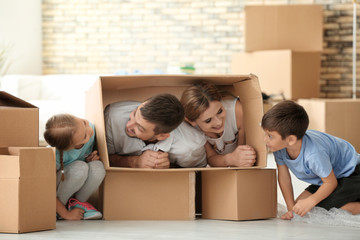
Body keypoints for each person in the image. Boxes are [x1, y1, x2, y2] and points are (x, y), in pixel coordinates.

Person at [261, 100, 360, 219]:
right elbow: (284, 177)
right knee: (299, 207)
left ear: (291, 140)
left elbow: (330, 183)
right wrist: (291, 208)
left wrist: (312, 200)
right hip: (328, 176)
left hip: (353, 174)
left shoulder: (314, 154)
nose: (265, 140)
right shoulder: (280, 148)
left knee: (323, 208)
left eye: (270, 136)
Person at [104, 93, 207, 168]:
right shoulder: (112, 116)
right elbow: (105, 159)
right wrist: (134, 162)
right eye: (134, 114)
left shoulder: (190, 147)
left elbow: (199, 175)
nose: (129, 125)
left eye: (140, 128)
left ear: (162, 136)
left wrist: (168, 168)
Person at [44, 114, 106, 220]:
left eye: (84, 122)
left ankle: (78, 203)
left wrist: (89, 159)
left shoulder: (87, 129)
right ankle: (58, 210)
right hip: (56, 195)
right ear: (69, 148)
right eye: (85, 136)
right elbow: (45, 189)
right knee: (80, 167)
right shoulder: (55, 155)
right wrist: (65, 214)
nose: (90, 130)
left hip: (75, 183)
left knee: (98, 167)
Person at [180, 81, 256, 167]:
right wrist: (230, 159)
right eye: (208, 120)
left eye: (219, 111)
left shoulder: (237, 111)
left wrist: (241, 157)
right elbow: (211, 158)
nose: (218, 122)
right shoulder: (192, 129)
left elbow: (243, 149)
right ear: (191, 121)